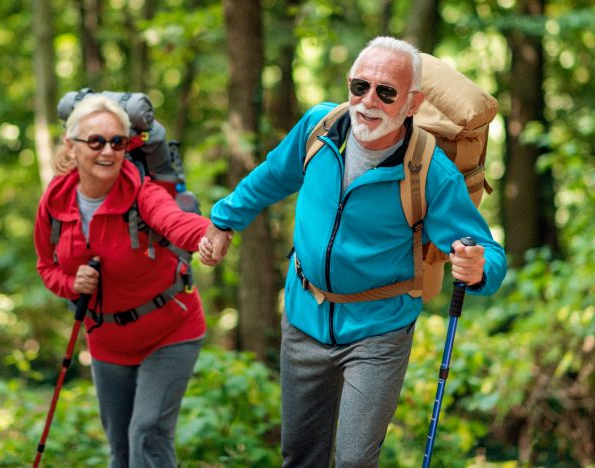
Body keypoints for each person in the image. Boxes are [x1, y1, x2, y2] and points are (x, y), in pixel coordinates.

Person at [199, 36, 507, 467]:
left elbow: (490, 254)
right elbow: (271, 175)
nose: (368, 101)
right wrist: (224, 220)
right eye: (359, 86)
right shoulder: (319, 129)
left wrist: (478, 268)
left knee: (354, 461)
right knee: (300, 455)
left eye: (386, 92)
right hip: (304, 315)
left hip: (378, 331)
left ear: (412, 103)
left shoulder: (429, 171)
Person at [34, 94, 219, 467]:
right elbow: (46, 267)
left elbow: (173, 221)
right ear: (71, 145)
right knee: (120, 449)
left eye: (117, 142)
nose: (107, 151)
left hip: (171, 328)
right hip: (107, 340)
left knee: (147, 432)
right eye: (96, 142)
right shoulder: (55, 202)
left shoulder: (141, 192)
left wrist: (209, 234)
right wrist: (72, 285)